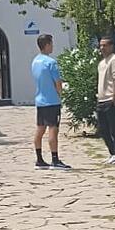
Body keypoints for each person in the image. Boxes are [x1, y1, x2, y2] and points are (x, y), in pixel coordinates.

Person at [30, 34, 70, 170]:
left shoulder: (35, 61)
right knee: (53, 129)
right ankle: (55, 159)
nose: (53, 46)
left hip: (40, 100)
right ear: (47, 44)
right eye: (51, 43)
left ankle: (39, 159)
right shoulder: (51, 62)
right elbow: (57, 82)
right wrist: (61, 94)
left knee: (40, 129)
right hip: (51, 100)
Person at [97, 34, 115, 166]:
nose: (102, 48)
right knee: (103, 129)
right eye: (101, 45)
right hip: (101, 99)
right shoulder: (102, 63)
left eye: (105, 45)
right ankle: (111, 152)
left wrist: (114, 97)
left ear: (111, 46)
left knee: (114, 129)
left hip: (112, 99)